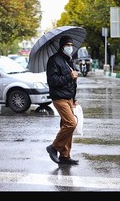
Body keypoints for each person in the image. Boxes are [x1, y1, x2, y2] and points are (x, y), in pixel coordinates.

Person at [46, 35, 79, 165]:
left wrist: (74, 98)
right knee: (71, 123)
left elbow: (72, 82)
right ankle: (53, 147)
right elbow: (53, 81)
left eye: (71, 45)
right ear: (62, 46)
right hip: (59, 98)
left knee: (66, 126)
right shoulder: (53, 60)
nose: (70, 47)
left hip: (69, 98)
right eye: (67, 45)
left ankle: (65, 156)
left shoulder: (69, 60)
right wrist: (69, 76)